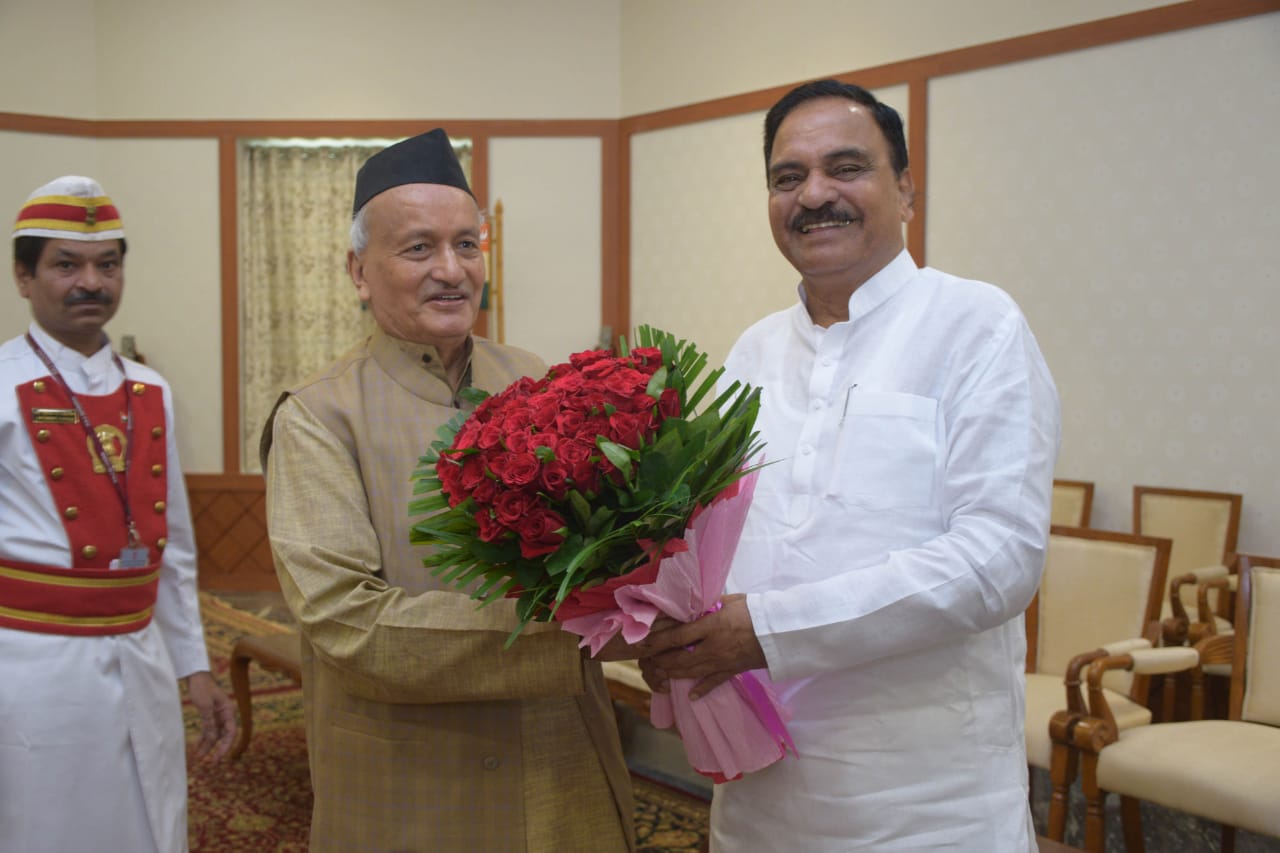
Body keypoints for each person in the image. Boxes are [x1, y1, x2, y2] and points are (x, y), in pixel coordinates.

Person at [636, 80, 1062, 850]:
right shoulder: (751, 352)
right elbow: (705, 550)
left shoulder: (976, 325)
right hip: (760, 799)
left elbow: (999, 559)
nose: (814, 194)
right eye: (787, 177)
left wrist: (766, 629)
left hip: (931, 809)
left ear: (905, 190)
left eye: (846, 167)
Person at [262, 129, 635, 852]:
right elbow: (345, 620)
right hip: (411, 775)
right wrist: (569, 642)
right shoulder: (316, 413)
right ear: (359, 270)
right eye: (418, 248)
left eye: (468, 244)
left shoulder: (534, 377)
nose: (451, 269)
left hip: (555, 752)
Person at [0, 175, 236, 852]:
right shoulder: (0, 386)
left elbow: (177, 549)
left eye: (108, 264)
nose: (91, 283)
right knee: (42, 823)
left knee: (148, 815)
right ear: (24, 277)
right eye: (66, 265)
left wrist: (194, 666)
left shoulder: (150, 389)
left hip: (142, 654)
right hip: (31, 664)